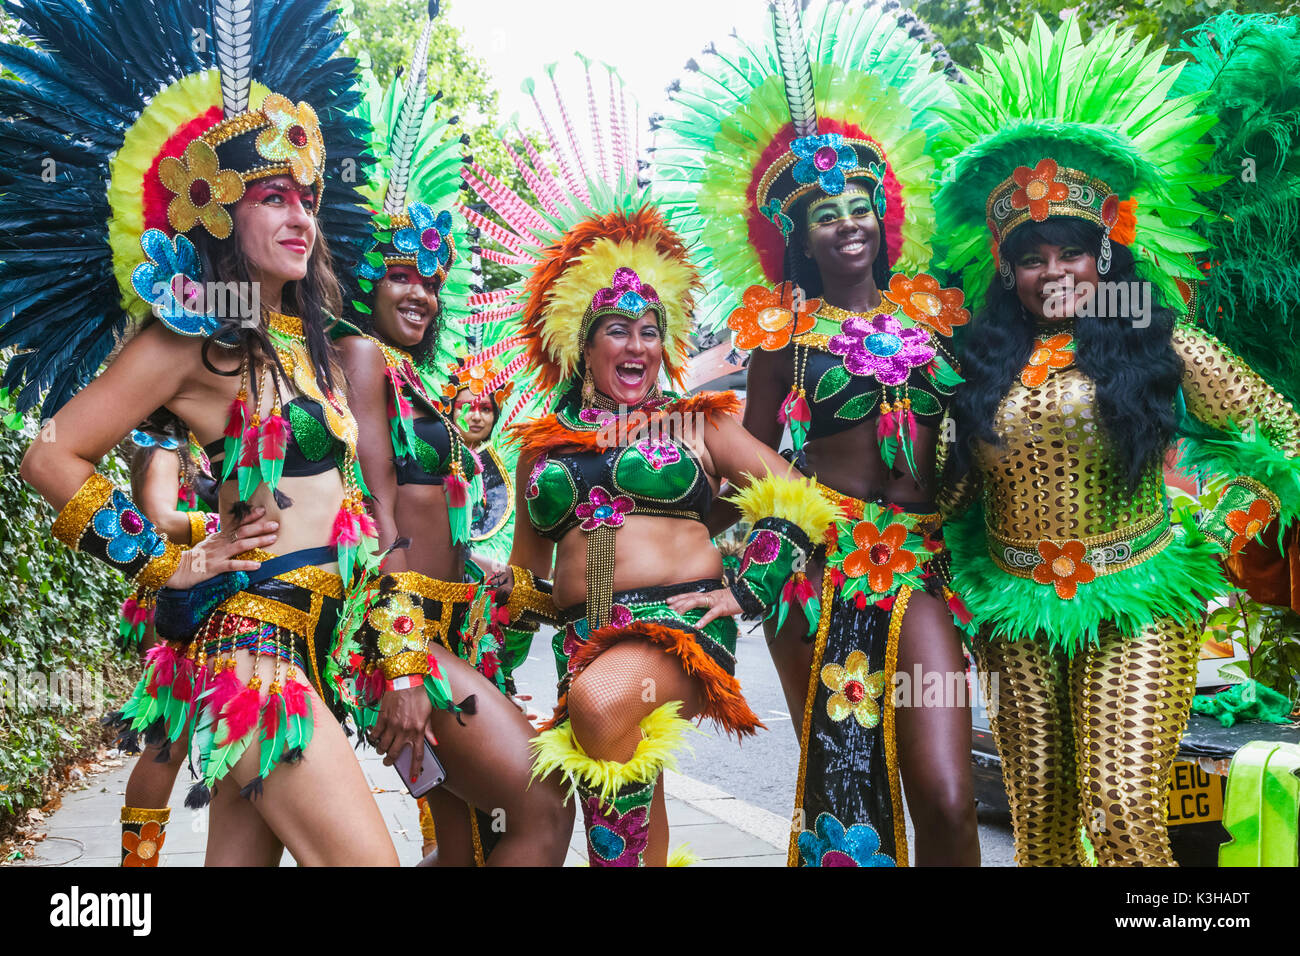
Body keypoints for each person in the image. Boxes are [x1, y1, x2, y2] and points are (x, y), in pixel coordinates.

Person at [3, 0, 402, 865]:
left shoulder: (308, 345)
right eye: (273, 199)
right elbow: (49, 454)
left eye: (307, 199)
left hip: (310, 648)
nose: (301, 217)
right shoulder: (189, 338)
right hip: (252, 649)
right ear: (218, 214)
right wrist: (161, 560)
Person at [934, 14, 1300, 865]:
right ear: (1006, 270)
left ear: (1107, 257)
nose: (1053, 271)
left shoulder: (1160, 341)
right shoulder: (975, 366)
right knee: (1042, 831)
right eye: (1032, 258)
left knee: (1123, 809)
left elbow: (1280, 438)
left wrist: (1257, 519)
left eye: (1072, 252)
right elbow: (946, 497)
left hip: (1136, 597)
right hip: (1015, 610)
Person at [653, 0, 979, 866]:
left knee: (947, 794)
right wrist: (718, 558)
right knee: (844, 785)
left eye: (859, 204)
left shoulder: (939, 316)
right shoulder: (779, 337)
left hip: (923, 562)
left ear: (883, 214)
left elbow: (991, 434)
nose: (848, 222)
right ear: (799, 236)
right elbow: (745, 469)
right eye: (826, 212)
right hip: (816, 571)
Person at [465, 58, 798, 866]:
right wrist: (489, 648)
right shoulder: (540, 443)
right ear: (581, 342)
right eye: (618, 328)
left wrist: (744, 585)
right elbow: (527, 575)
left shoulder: (697, 423)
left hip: (681, 628)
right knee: (615, 794)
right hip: (584, 636)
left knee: (601, 703)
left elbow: (794, 496)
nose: (638, 345)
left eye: (651, 330)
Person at [335, 17, 570, 867]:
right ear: (365, 281)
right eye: (401, 274)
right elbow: (370, 505)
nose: (422, 296)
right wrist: (400, 660)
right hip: (402, 631)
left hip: (451, 626)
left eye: (432, 282)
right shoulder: (360, 355)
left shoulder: (412, 377)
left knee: (471, 846)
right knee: (540, 799)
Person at [114, 415, 220, 865]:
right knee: (170, 739)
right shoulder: (162, 446)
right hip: (188, 601)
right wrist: (223, 522)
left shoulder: (186, 444)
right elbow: (157, 517)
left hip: (202, 596)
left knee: (178, 736)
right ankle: (137, 862)